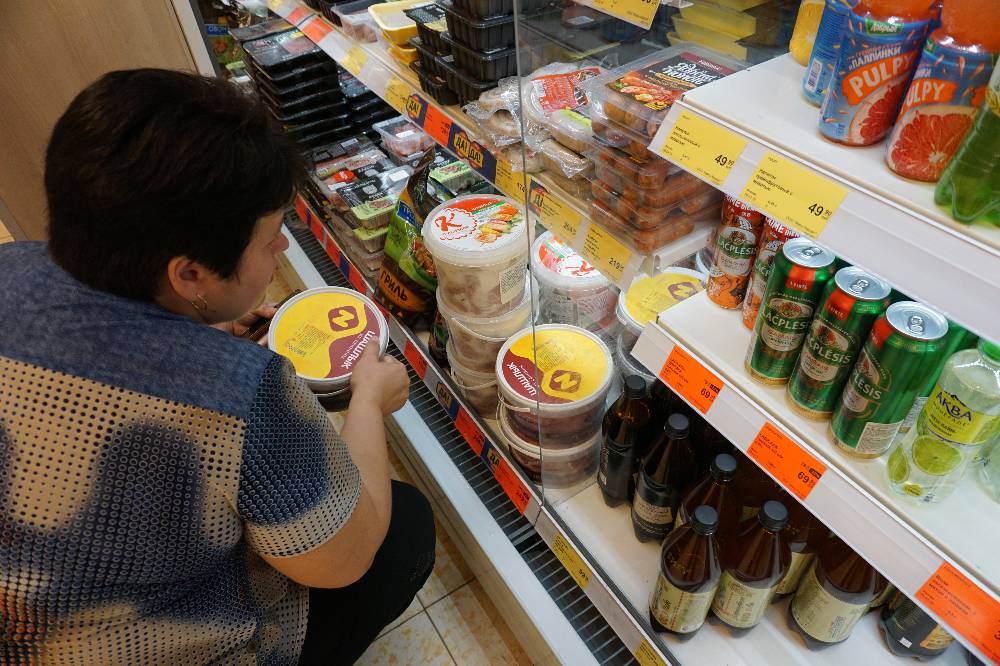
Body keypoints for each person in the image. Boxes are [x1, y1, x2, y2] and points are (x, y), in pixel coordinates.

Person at [0, 69, 435, 665]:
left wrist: (192, 330)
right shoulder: (239, 393)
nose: (283, 248)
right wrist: (366, 401)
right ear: (190, 275)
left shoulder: (11, 265)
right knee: (403, 529)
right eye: (271, 236)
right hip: (143, 648)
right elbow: (343, 560)